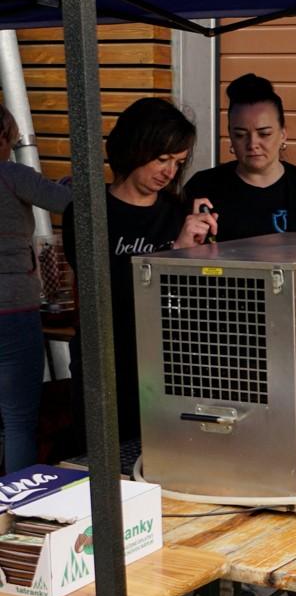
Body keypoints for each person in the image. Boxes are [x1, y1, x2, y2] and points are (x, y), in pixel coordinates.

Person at [63, 97, 215, 447]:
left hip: (171, 367)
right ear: (135, 147)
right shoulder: (87, 212)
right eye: (162, 159)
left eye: (178, 162)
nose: (169, 172)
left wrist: (206, 249)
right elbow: (106, 290)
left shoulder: (179, 211)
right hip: (108, 367)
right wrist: (174, 252)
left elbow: (201, 296)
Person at [184, 73, 296, 240]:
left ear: (283, 134)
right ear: (230, 136)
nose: (252, 144)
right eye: (240, 135)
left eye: (264, 134)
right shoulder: (203, 187)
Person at [0, 105, 71, 472]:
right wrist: (70, 185)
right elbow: (67, 203)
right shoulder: (12, 175)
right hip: (13, 307)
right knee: (18, 420)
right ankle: (17, 498)